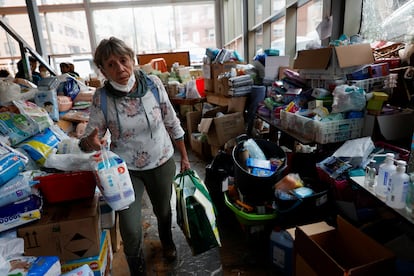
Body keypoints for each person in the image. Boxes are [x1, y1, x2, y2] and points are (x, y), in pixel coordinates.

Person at [78, 36, 191, 275]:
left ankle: (167, 242)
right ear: (103, 70)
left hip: (161, 160)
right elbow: (88, 141)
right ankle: (137, 268)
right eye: (111, 64)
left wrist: (184, 156)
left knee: (163, 211)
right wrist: (90, 142)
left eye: (123, 60)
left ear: (132, 59)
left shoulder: (152, 85)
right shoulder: (102, 98)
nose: (120, 68)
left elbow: (171, 120)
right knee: (130, 227)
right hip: (125, 170)